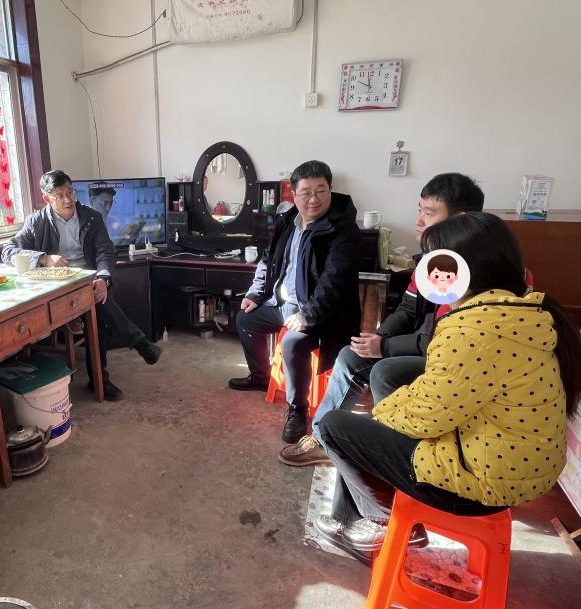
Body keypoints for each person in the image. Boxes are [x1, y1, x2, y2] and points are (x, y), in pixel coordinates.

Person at [314, 212, 581, 565]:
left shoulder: (473, 330)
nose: (425, 270)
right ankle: (355, 517)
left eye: (433, 261)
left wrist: (382, 416)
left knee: (334, 426)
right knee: (386, 383)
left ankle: (387, 524)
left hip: (485, 483)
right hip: (516, 465)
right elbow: (441, 389)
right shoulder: (520, 309)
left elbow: (426, 418)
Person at [279, 172, 485, 466]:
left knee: (382, 371)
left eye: (429, 213)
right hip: (427, 346)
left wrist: (385, 348)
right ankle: (326, 438)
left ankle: (383, 449)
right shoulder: (432, 260)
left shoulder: (470, 272)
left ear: (460, 219)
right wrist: (379, 337)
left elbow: (443, 340)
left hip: (455, 362)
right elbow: (407, 309)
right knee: (353, 355)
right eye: (419, 210)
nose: (418, 220)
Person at [228, 160, 362, 444]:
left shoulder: (343, 230)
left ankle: (297, 410)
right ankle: (260, 376)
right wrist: (255, 292)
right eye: (306, 192)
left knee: (292, 343)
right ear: (294, 194)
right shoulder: (288, 221)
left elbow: (334, 282)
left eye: (321, 191)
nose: (314, 199)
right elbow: (268, 260)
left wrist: (307, 316)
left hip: (320, 314)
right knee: (244, 320)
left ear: (330, 190)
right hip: (281, 304)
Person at [2, 169, 161, 401]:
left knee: (98, 304)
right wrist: (44, 258)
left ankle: (101, 378)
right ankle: (133, 347)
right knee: (99, 308)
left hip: (89, 280)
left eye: (70, 192)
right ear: (47, 199)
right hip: (57, 287)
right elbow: (8, 251)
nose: (68, 200)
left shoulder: (92, 217)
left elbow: (105, 251)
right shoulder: (37, 222)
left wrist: (104, 278)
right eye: (60, 195)